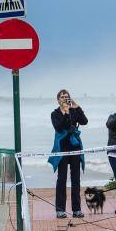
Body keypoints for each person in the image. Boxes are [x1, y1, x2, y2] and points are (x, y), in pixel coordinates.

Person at [49, 89, 88, 218]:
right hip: (62, 149)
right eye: (62, 97)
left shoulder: (74, 110)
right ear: (58, 100)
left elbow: (84, 121)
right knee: (62, 179)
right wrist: (65, 113)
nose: (65, 98)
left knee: (76, 179)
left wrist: (77, 107)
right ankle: (60, 210)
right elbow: (59, 127)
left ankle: (76, 209)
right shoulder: (55, 113)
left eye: (67, 96)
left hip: (75, 148)